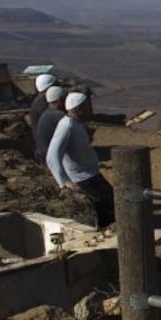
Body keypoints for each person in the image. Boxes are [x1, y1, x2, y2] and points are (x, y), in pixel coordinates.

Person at [46, 91, 115, 229]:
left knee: (109, 201)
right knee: (104, 205)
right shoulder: (67, 126)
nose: (91, 109)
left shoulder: (75, 124)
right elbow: (52, 155)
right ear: (78, 109)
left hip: (90, 174)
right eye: (87, 106)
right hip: (82, 178)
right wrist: (64, 181)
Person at [33, 85, 65, 164]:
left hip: (44, 154)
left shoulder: (46, 113)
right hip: (51, 157)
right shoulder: (59, 116)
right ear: (60, 100)